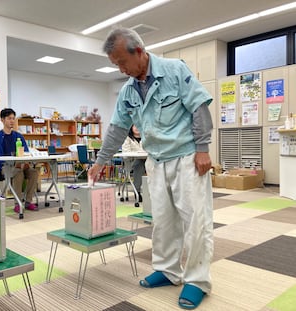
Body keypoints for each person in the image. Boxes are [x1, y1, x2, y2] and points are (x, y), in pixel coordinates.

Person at [88, 27, 213, 310]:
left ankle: (197, 280)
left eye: (122, 62)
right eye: (115, 65)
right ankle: (168, 270)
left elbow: (199, 108)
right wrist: (100, 162)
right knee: (163, 220)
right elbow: (117, 128)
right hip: (155, 160)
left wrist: (203, 149)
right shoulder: (128, 90)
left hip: (186, 157)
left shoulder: (174, 70)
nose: (121, 69)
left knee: (195, 221)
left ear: (140, 52)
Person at [0, 108, 38, 211]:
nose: (12, 121)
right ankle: (17, 203)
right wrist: (14, 164)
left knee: (34, 172)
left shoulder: (18, 136)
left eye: (13, 118)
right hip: (5, 167)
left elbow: (25, 152)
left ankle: (28, 201)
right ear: (2, 120)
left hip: (20, 165)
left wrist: (26, 162)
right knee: (18, 172)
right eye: (9, 118)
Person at [121, 124, 146, 202]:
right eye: (135, 126)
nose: (137, 128)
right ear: (131, 128)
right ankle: (137, 191)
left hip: (146, 160)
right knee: (139, 164)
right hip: (131, 162)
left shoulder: (146, 138)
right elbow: (126, 153)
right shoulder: (127, 139)